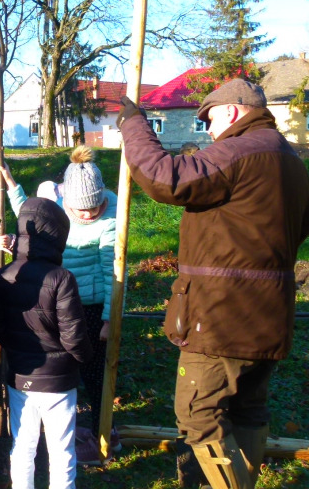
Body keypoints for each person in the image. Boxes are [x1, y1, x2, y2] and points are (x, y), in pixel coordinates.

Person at [115, 78, 309, 489]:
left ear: (234, 111)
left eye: (210, 117)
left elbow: (163, 177)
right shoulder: (290, 159)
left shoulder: (241, 150)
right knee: (245, 412)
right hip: (269, 314)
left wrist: (135, 125)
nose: (208, 128)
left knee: (198, 415)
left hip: (222, 318)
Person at [0, 146, 120, 461]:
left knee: (94, 371)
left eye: (94, 208)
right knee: (62, 365)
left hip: (90, 306)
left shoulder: (112, 219)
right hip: (57, 299)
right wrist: (12, 187)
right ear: (67, 202)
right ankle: (63, 423)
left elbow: (113, 273)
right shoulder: (61, 207)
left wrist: (108, 319)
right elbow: (34, 216)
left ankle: (105, 433)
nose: (88, 215)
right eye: (80, 210)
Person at [0, 197, 93, 489]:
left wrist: (18, 351)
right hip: (58, 381)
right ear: (57, 235)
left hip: (20, 375)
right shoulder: (61, 278)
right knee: (61, 450)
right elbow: (74, 335)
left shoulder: (2, 276)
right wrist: (85, 357)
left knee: (22, 445)